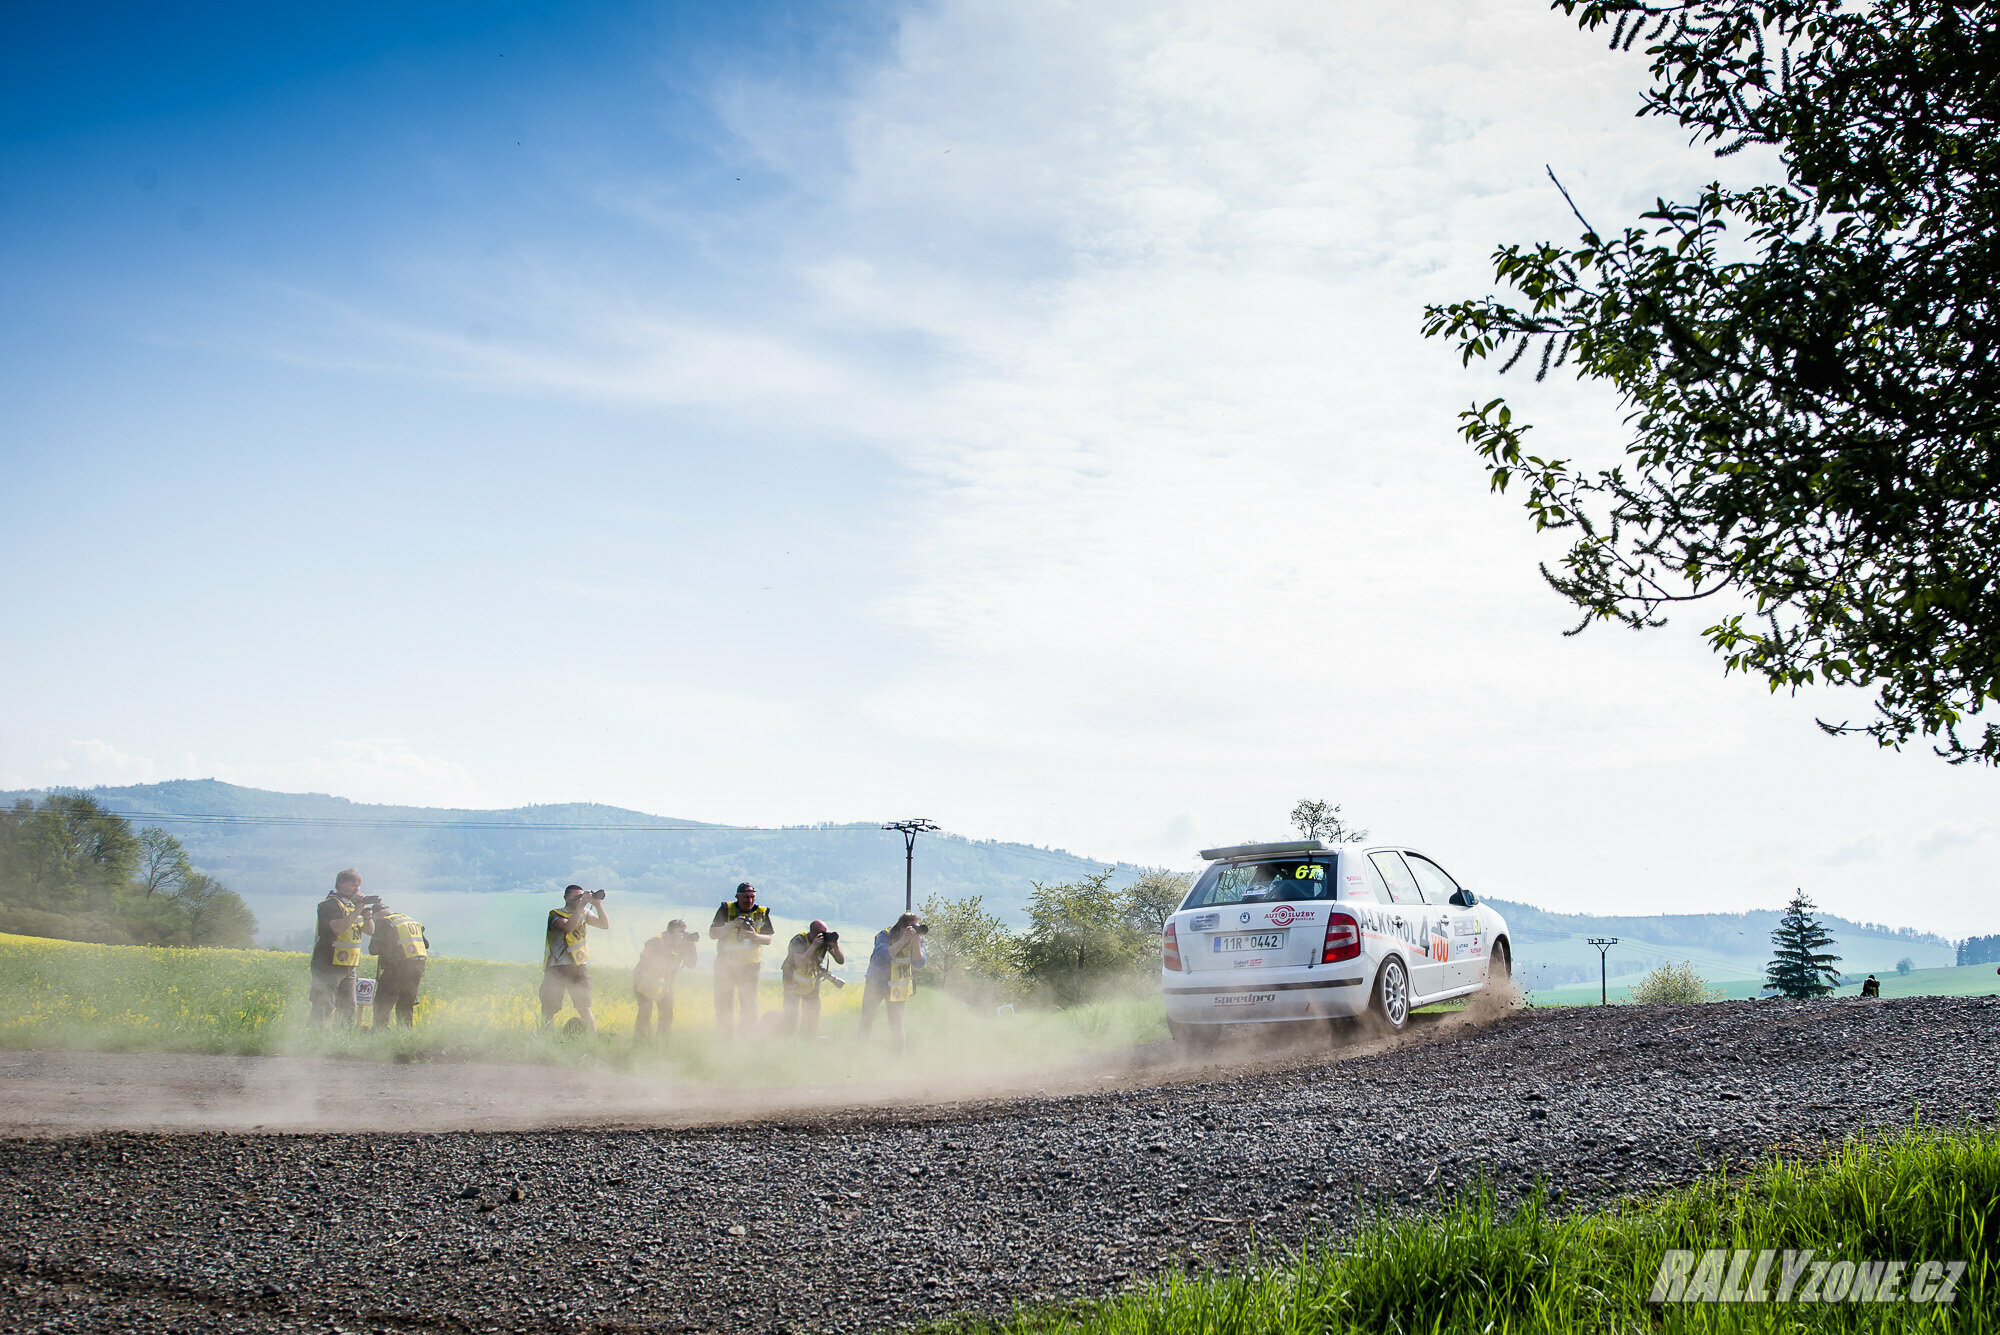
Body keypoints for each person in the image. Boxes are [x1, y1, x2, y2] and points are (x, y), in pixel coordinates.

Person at [309, 869, 375, 1028]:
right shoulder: (329, 905)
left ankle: (341, 1041)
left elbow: (370, 931)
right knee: (324, 1006)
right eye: (352, 885)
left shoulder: (352, 906)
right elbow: (339, 928)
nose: (357, 889)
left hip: (349, 966)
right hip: (328, 963)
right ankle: (314, 1038)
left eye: (358, 886)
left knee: (348, 1007)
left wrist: (366, 915)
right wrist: (358, 909)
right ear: (340, 885)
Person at [541, 884, 609, 1033]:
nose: (579, 900)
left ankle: (592, 1038)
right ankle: (546, 1036)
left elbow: (604, 925)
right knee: (549, 1008)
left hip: (578, 967)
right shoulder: (556, 914)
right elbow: (568, 927)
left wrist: (597, 904)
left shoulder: (584, 913)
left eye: (581, 896)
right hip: (556, 967)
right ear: (566, 898)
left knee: (584, 1006)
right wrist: (583, 904)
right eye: (576, 897)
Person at [708, 881, 773, 1038]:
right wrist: (732, 925)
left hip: (750, 968)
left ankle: (747, 1038)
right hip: (726, 967)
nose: (750, 901)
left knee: (749, 1005)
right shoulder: (726, 909)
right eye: (746, 897)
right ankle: (725, 1037)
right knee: (724, 1004)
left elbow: (768, 939)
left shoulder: (761, 912)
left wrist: (754, 936)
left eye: (752, 897)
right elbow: (713, 933)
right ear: (737, 897)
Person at [858, 912, 927, 1055]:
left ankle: (898, 1059)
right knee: (867, 1019)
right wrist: (903, 941)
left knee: (897, 1025)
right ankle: (860, 1053)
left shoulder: (917, 940)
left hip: (897, 987)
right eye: (909, 928)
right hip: (876, 983)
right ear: (901, 927)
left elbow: (919, 963)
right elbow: (883, 956)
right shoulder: (885, 936)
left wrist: (915, 942)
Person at [634, 919, 698, 1043]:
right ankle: (641, 1041)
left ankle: (663, 1042)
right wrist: (671, 947)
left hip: (664, 984)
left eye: (684, 932)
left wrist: (691, 946)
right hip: (645, 980)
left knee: (667, 1013)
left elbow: (691, 964)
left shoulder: (683, 945)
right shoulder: (657, 940)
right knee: (645, 1011)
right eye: (680, 932)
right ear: (669, 932)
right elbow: (646, 956)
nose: (682, 935)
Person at [368, 902, 430, 1028]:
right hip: (418, 966)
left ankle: (380, 1032)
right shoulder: (407, 919)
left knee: (383, 1001)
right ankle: (405, 1033)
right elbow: (426, 945)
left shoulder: (384, 922)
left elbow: (373, 950)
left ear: (376, 916)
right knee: (406, 1003)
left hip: (397, 966)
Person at [780, 920, 846, 1039]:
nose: (823, 936)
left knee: (813, 1010)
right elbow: (800, 963)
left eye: (825, 933)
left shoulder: (824, 944)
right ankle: (785, 1038)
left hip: (810, 979)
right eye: (821, 934)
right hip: (792, 978)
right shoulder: (799, 940)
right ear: (812, 933)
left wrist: (835, 946)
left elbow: (840, 961)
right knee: (792, 1013)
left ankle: (809, 1038)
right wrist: (814, 945)